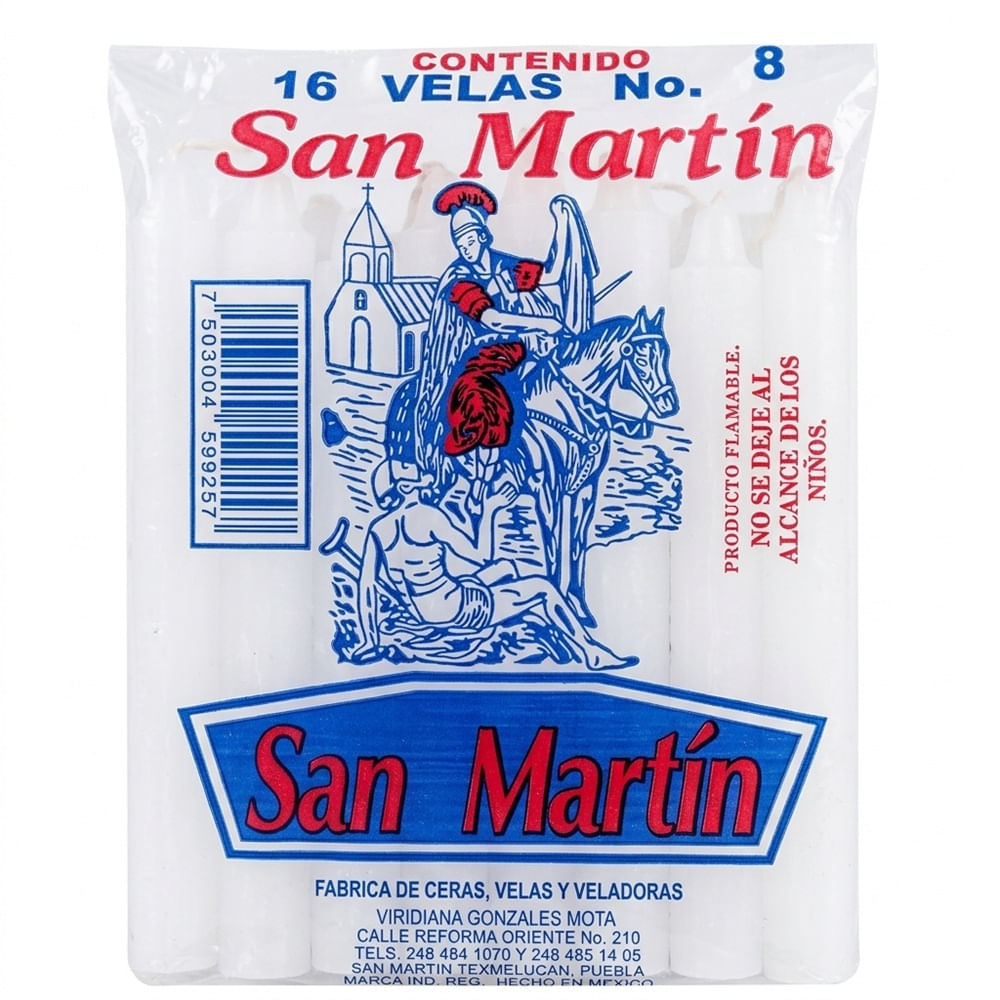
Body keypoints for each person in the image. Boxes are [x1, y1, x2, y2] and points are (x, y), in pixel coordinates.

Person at [352, 460, 635, 671]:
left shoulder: (378, 530)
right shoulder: (427, 516)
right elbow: (479, 555)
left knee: (505, 567)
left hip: (426, 611)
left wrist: (369, 641)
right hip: (461, 609)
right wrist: (491, 509)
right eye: (408, 470)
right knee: (541, 589)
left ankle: (514, 575)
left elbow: (366, 589)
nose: (416, 469)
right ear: (404, 486)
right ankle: (591, 652)